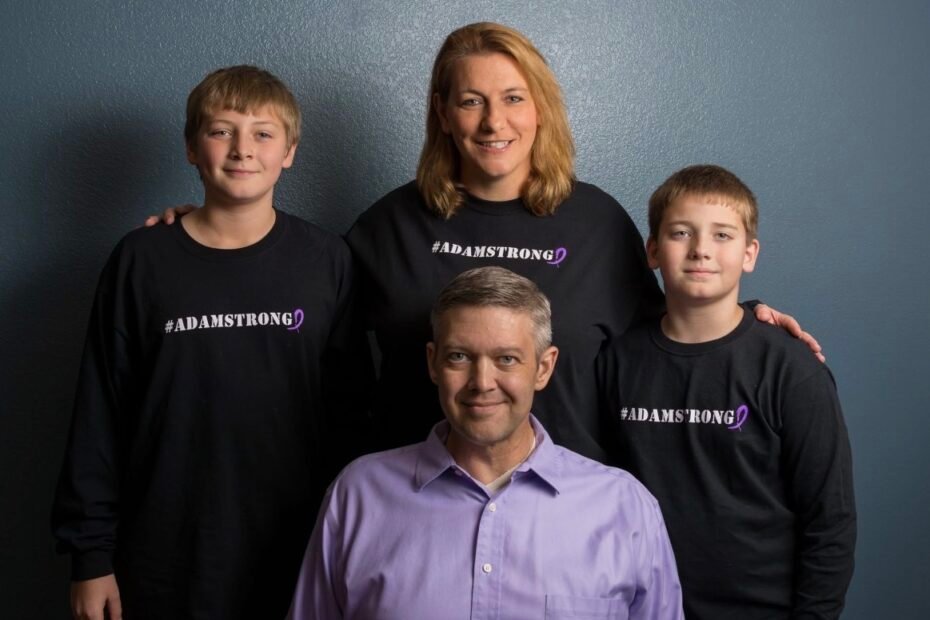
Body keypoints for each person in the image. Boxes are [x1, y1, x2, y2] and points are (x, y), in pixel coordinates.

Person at [149, 22, 820, 464]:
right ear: (443, 114)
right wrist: (208, 231)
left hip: (566, 512)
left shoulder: (597, 225)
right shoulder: (390, 227)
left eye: (513, 98)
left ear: (540, 110)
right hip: (416, 508)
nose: (493, 121)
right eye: (470, 101)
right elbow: (295, 309)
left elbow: (671, 343)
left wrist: (742, 319)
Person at [52, 65, 368, 620]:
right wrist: (90, 556)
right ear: (192, 149)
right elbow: (99, 412)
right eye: (222, 130)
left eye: (263, 133)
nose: (242, 149)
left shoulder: (328, 261)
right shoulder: (140, 261)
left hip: (300, 549)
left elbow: (353, 415)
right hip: (162, 554)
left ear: (289, 151)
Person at [288, 266, 684, 619]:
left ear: (543, 368)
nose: (482, 382)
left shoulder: (624, 508)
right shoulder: (358, 496)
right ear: (432, 363)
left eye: (507, 359)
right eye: (459, 356)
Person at [596, 165, 856, 619]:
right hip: (641, 607)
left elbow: (829, 521)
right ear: (653, 251)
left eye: (722, 235)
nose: (700, 250)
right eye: (681, 233)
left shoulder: (790, 370)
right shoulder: (618, 362)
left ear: (749, 253)